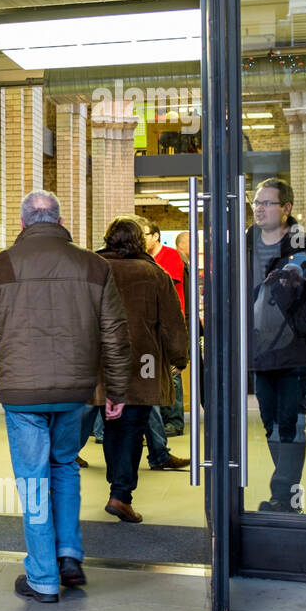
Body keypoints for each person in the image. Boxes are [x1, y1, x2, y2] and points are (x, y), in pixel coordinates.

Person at [0, 190, 130, 603]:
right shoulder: (94, 265)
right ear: (58, 219)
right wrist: (118, 388)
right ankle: (69, 555)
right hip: (75, 391)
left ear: (22, 223)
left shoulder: (0, 266)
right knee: (65, 467)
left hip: (22, 395)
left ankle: (43, 576)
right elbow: (116, 334)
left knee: (34, 479)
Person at [247, 178, 306, 513]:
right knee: (271, 423)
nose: (258, 208)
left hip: (296, 354)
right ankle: (286, 493)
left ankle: (283, 496)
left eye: (266, 203)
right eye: (256, 202)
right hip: (260, 354)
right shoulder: (245, 245)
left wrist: (298, 326)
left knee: (291, 422)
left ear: (286, 208)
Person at [95, 217, 190, 523]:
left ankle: (116, 482)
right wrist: (181, 357)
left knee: (111, 423)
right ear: (140, 241)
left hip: (101, 361)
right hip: (143, 362)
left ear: (110, 239)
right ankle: (120, 493)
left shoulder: (93, 269)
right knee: (133, 427)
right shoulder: (154, 273)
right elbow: (172, 322)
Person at [138, 219, 190, 469]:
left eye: (146, 234)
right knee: (149, 389)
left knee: (169, 376)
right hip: (146, 332)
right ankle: (159, 450)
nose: (143, 239)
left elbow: (169, 292)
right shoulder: (139, 261)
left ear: (156, 236)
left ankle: (174, 422)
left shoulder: (169, 258)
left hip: (165, 325)